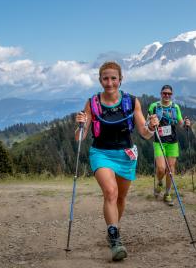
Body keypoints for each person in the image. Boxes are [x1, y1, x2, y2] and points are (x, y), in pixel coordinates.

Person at [75, 61, 159, 261]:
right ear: (100, 80)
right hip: (101, 153)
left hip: (126, 154)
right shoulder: (92, 103)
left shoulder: (131, 101)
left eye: (113, 78)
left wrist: (152, 126)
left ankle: (113, 229)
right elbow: (80, 137)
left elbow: (144, 133)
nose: (109, 82)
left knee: (120, 197)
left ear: (120, 80)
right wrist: (80, 125)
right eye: (105, 78)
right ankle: (115, 239)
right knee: (110, 192)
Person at [148, 85, 191, 206]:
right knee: (161, 168)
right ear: (160, 94)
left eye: (169, 94)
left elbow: (181, 123)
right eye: (164, 93)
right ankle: (160, 182)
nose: (166, 95)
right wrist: (151, 124)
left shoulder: (175, 107)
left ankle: (167, 194)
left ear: (171, 95)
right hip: (159, 141)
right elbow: (148, 123)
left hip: (172, 142)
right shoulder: (154, 106)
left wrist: (186, 124)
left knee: (171, 169)